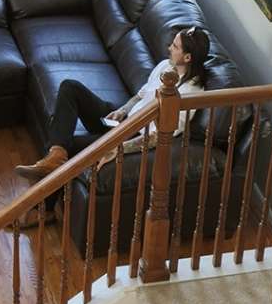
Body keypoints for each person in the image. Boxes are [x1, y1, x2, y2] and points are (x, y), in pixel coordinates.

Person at [14, 27, 211, 226]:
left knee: (71, 146)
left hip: (129, 135)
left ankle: (45, 209)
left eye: (175, 46)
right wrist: (123, 109)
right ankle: (55, 156)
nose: (169, 48)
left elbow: (158, 137)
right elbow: (141, 94)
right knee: (69, 87)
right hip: (120, 120)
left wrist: (118, 148)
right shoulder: (165, 66)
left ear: (187, 57)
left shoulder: (190, 95)